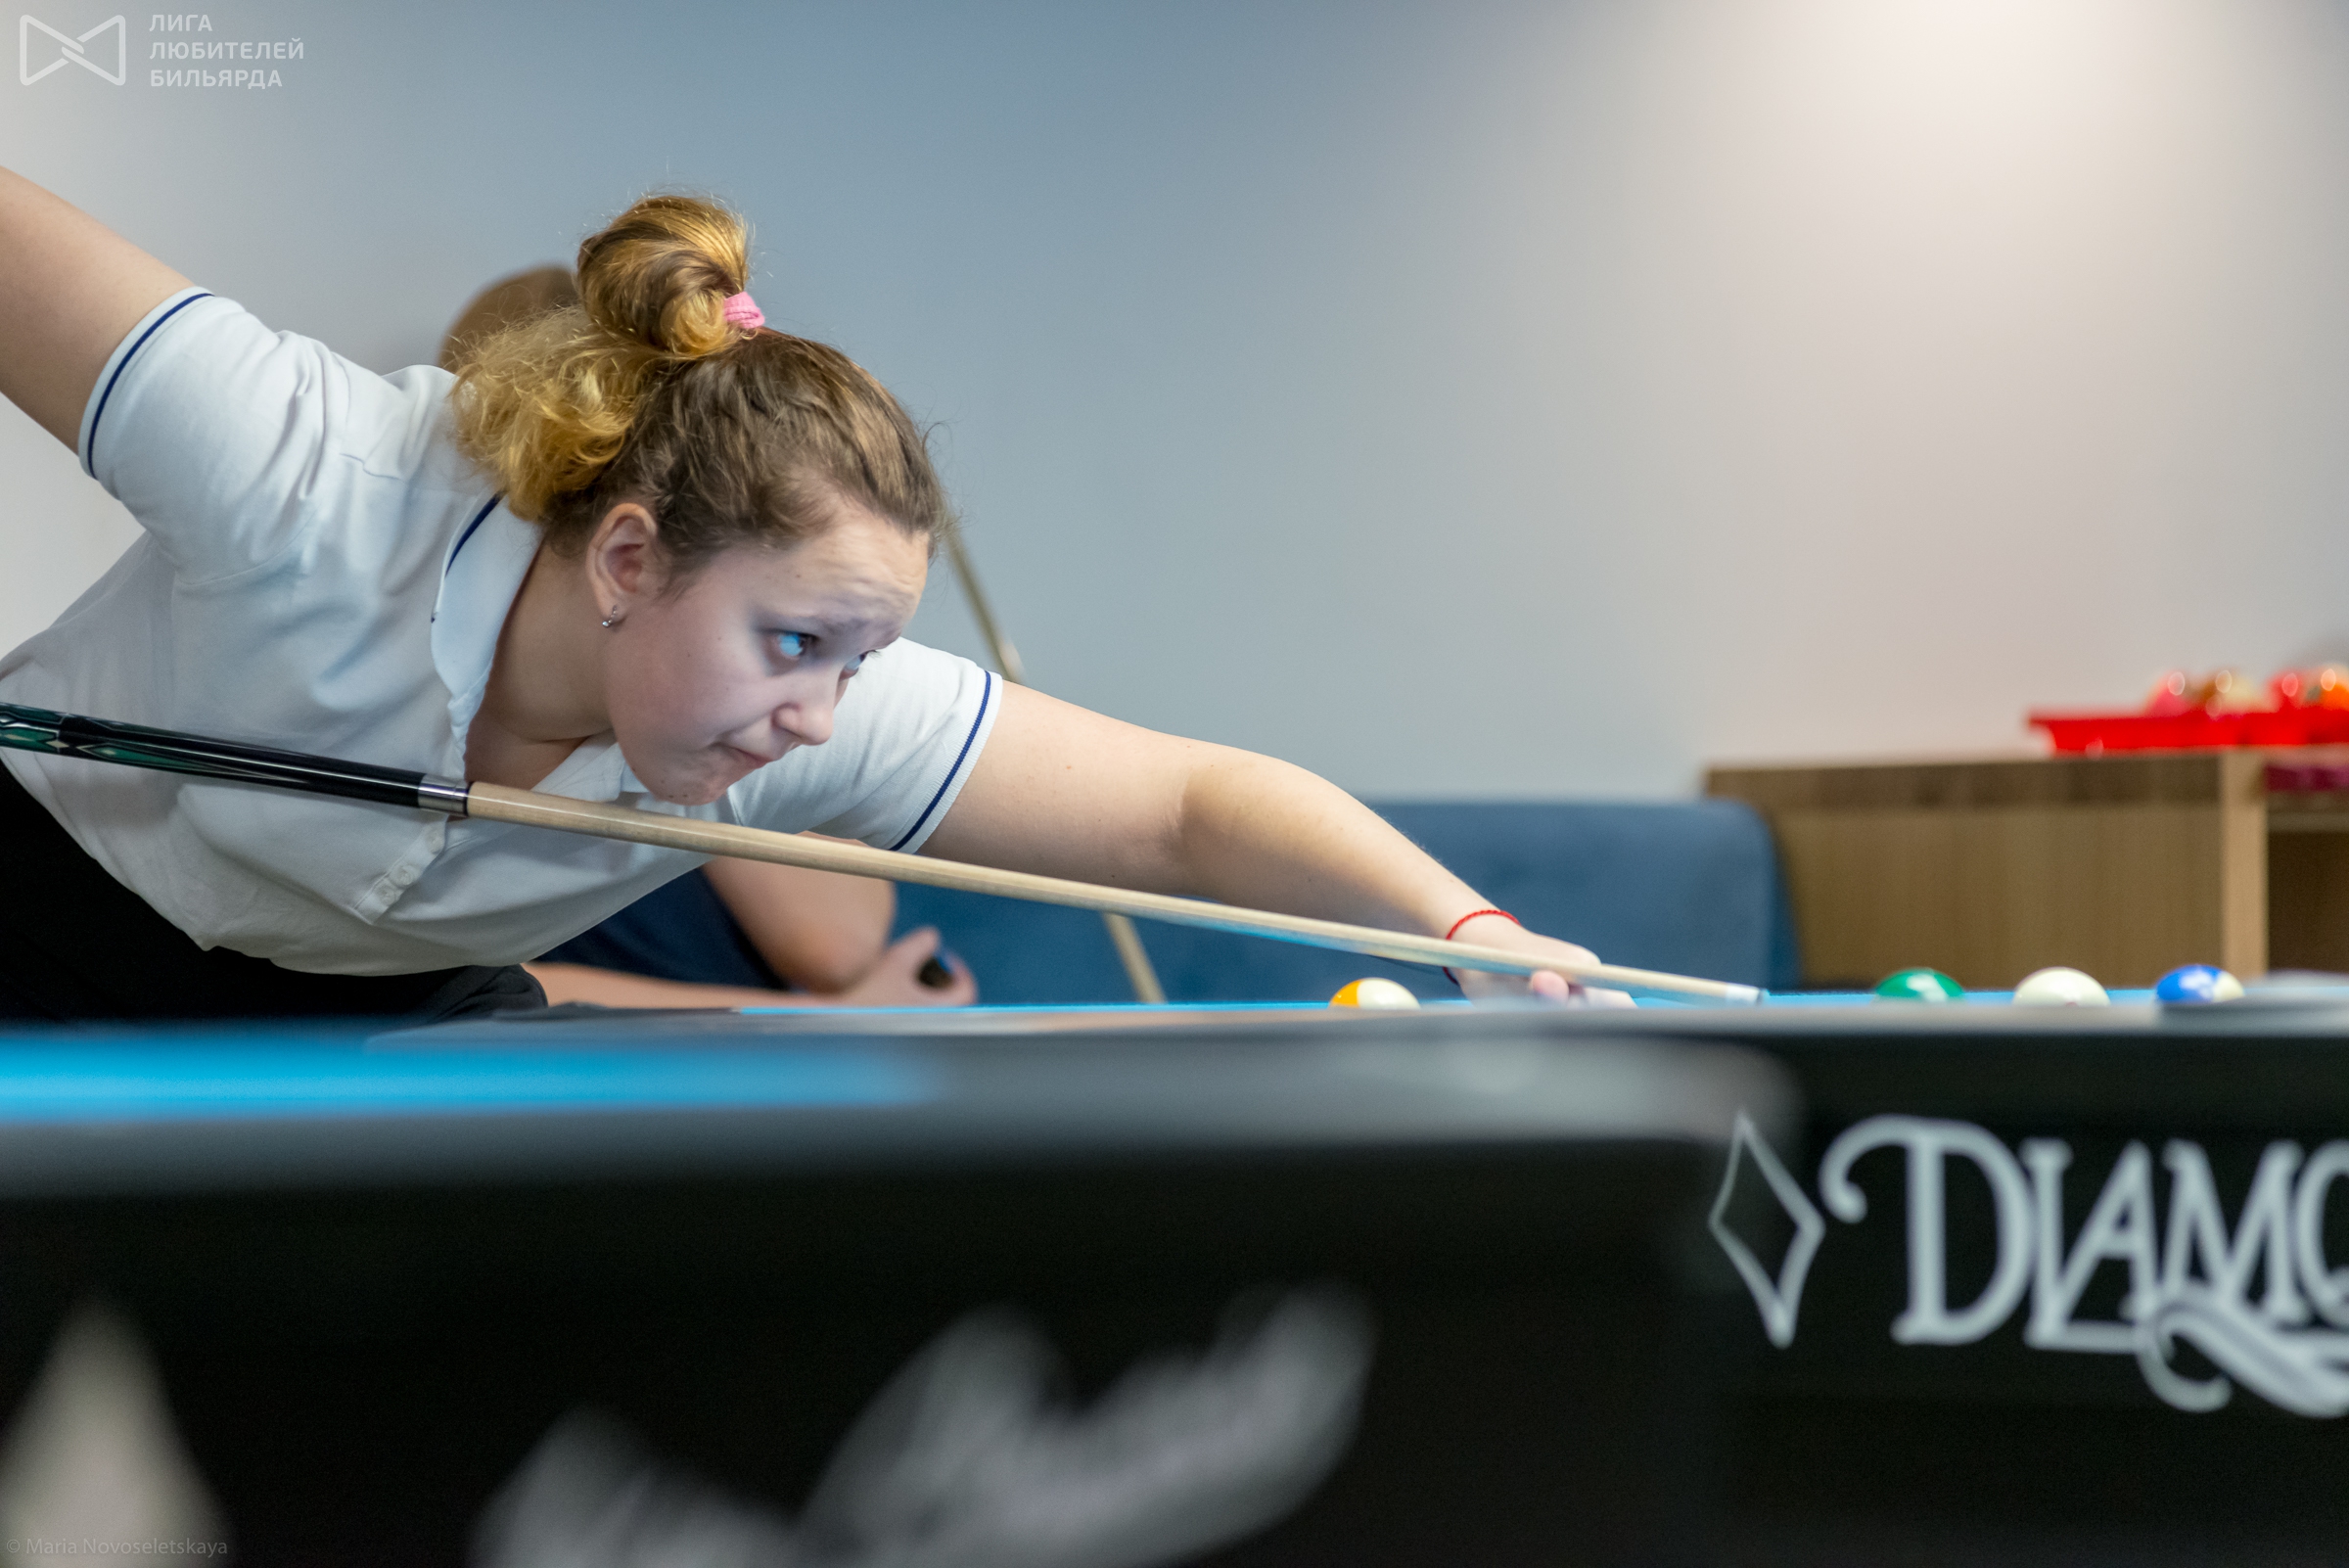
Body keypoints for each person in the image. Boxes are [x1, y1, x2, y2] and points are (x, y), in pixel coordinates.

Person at [0, 169, 1616, 1022]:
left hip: (377, 1018)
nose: (826, 715)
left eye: (858, 656)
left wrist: (1464, 928)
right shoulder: (302, 466)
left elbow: (1188, 811)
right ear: (629, 559)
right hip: (37, 922)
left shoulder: (798, 704)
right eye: (795, 644)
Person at [438, 267, 976, 1010]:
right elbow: (458, 992)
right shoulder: (456, 697)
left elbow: (838, 937)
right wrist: (817, 1022)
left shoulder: (719, 685)